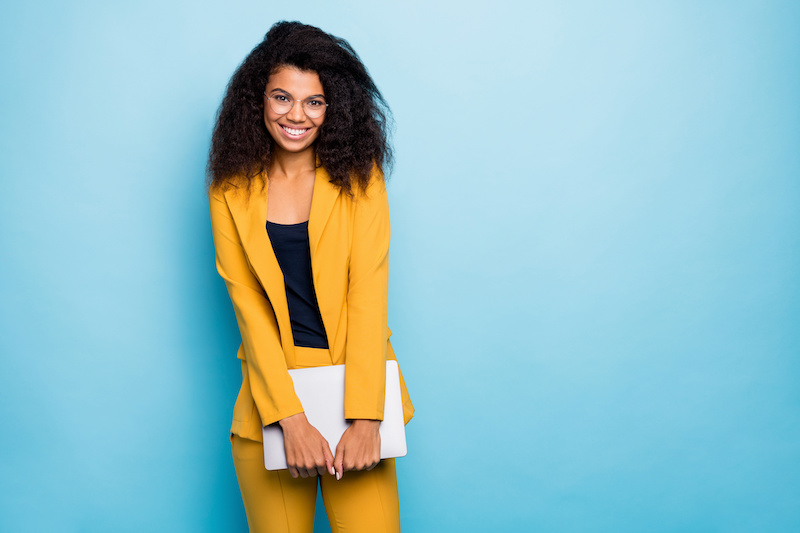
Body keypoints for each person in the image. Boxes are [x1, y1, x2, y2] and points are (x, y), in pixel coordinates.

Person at [206, 21, 415, 533]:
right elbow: (248, 307)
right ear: (258, 99)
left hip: (357, 391)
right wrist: (289, 419)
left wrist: (366, 416)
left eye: (313, 102)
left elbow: (369, 292)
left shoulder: (361, 177)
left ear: (333, 107)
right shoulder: (229, 188)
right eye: (282, 97)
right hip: (271, 401)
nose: (296, 115)